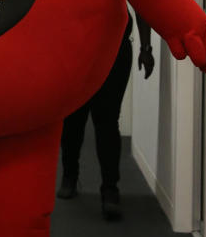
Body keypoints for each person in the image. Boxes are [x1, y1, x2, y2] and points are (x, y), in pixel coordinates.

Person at [58, 12, 155, 220]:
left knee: (107, 122)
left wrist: (146, 48)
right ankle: (70, 176)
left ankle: (110, 189)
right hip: (76, 52)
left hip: (114, 52)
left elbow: (140, 5)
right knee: (72, 119)